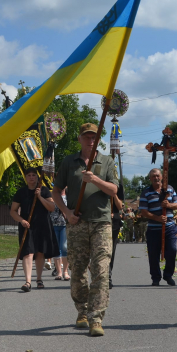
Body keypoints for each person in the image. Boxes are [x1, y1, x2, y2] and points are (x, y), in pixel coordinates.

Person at [52, 123, 118, 337]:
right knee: (78, 272)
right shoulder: (69, 162)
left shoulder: (107, 161)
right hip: (76, 223)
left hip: (101, 223)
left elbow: (114, 190)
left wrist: (96, 180)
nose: (91, 140)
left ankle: (96, 318)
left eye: (94, 137)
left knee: (100, 271)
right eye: (87, 137)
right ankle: (82, 311)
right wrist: (66, 213)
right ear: (79, 139)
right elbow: (56, 191)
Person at [10, 168, 58, 292]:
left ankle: (39, 278)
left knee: (40, 252)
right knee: (28, 252)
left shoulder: (45, 190)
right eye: (29, 175)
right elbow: (13, 211)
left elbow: (52, 207)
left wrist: (40, 197)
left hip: (42, 224)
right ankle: (28, 281)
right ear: (25, 177)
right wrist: (21, 220)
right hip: (27, 225)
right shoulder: (21, 192)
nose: (31, 177)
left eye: (34, 175)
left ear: (37, 177)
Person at [139, 168, 177, 286]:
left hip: (169, 226)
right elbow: (143, 211)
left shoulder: (170, 189)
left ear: (161, 177)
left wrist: (169, 205)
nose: (156, 178)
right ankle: (155, 277)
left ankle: (168, 275)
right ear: (150, 179)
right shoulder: (146, 192)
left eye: (157, 175)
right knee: (153, 254)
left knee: (172, 250)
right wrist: (157, 218)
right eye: (153, 176)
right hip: (153, 228)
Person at [50, 187, 70, 281]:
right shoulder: (52, 195)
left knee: (64, 247)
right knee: (56, 248)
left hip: (65, 224)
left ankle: (65, 272)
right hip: (53, 224)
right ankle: (59, 272)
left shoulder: (69, 196)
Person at [109, 183, 125, 289]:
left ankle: (107, 277)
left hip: (113, 221)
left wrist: (114, 194)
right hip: (96, 218)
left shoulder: (118, 185)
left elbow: (119, 206)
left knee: (110, 250)